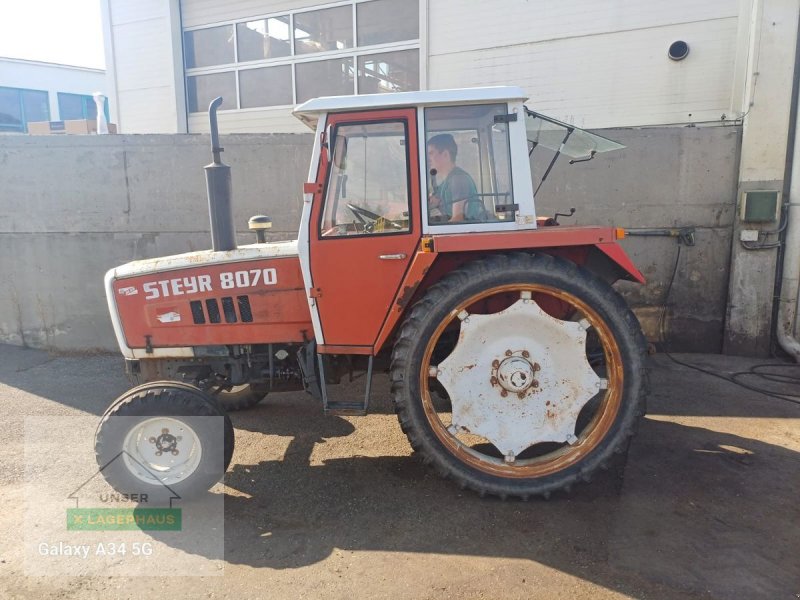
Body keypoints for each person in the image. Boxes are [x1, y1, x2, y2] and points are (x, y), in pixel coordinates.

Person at [426, 134, 483, 223]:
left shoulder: (459, 179)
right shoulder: (446, 182)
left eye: (431, 153)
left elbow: (458, 219)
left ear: (445, 154)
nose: (427, 158)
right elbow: (435, 201)